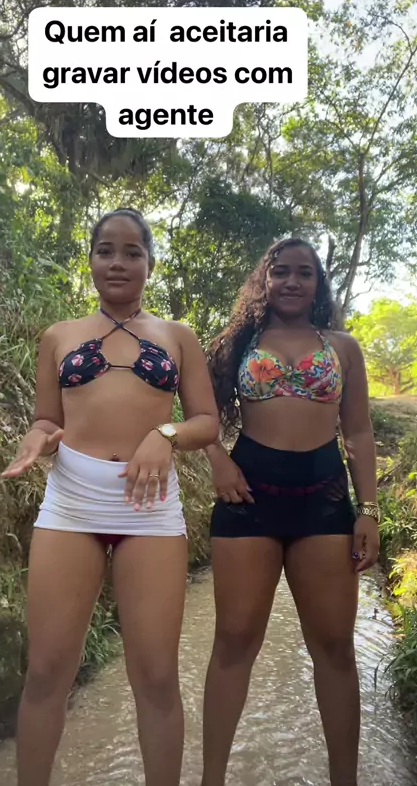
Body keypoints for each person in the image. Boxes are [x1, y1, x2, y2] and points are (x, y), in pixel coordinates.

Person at [1, 207, 219, 786]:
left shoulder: (177, 337)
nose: (117, 262)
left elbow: (205, 422)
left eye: (132, 252)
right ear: (92, 260)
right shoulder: (59, 336)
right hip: (70, 504)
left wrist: (164, 434)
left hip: (151, 511)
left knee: (156, 678)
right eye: (105, 251)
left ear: (150, 263)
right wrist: (36, 441)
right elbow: (47, 419)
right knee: (46, 672)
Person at [201, 237, 380, 786]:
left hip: (324, 501)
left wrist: (369, 510)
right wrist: (218, 461)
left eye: (305, 272)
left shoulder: (343, 347)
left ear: (319, 283)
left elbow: (358, 431)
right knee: (234, 642)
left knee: (335, 647)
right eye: (281, 271)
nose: (293, 281)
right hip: (247, 499)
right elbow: (199, 411)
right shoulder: (238, 342)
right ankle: (211, 780)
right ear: (265, 279)